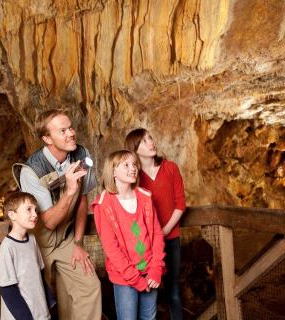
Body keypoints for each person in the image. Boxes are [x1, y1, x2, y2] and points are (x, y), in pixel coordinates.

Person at [13, 109, 102, 320]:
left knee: (89, 286)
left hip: (65, 238)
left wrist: (78, 243)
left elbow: (82, 200)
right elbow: (49, 222)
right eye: (62, 130)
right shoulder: (31, 171)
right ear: (47, 138)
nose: (71, 133)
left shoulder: (81, 155)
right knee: (34, 300)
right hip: (36, 241)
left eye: (70, 127)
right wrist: (70, 190)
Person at [91, 150, 166, 320]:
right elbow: (111, 248)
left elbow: (157, 235)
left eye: (134, 164)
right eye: (126, 165)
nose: (133, 168)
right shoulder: (104, 204)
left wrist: (156, 269)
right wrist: (135, 279)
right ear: (113, 171)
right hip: (124, 277)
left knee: (149, 318)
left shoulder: (145, 197)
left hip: (149, 273)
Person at [125, 128, 186, 320]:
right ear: (135, 149)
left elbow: (181, 203)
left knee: (174, 291)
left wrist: (165, 230)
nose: (150, 142)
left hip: (171, 239)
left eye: (150, 138)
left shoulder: (170, 168)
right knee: (149, 292)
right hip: (146, 245)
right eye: (143, 141)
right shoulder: (134, 177)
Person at [0, 191, 55, 320]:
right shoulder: (7, 248)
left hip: (41, 312)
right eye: (29, 209)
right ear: (12, 215)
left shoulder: (32, 239)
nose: (35, 214)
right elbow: (7, 289)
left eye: (35, 209)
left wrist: (50, 303)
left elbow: (40, 273)